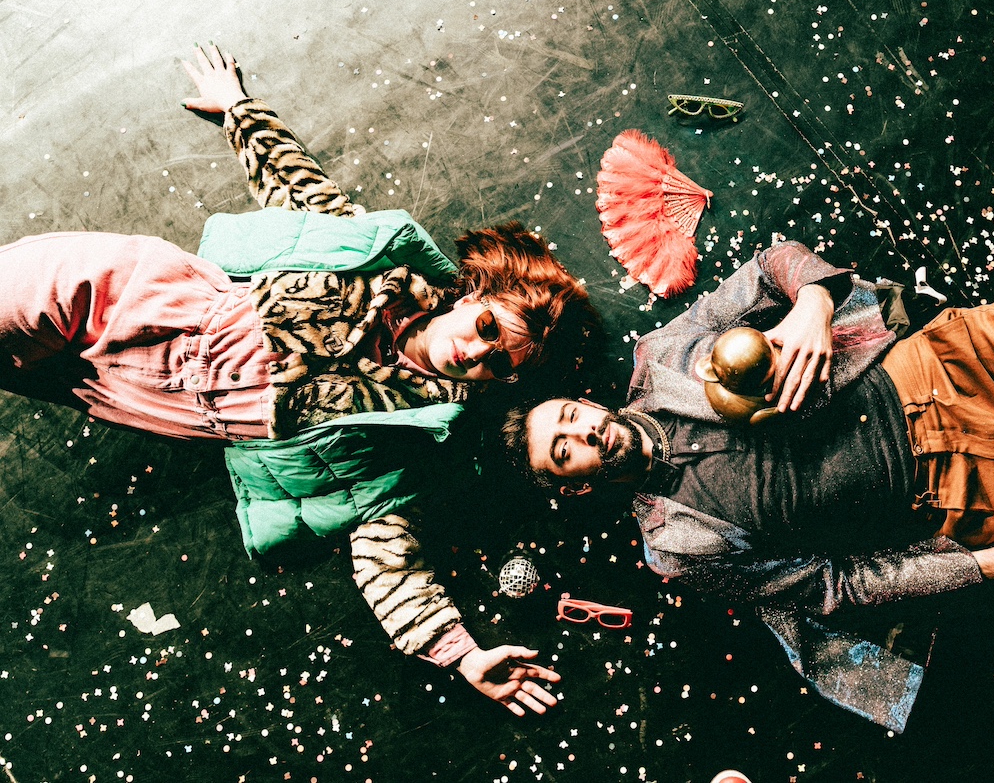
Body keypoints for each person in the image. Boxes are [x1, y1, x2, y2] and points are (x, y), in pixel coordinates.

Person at [0, 45, 588, 717]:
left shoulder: (415, 439)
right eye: (486, 328)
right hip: (144, 296)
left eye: (499, 364)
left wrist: (460, 652)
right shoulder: (376, 260)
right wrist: (238, 111)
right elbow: (299, 187)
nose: (476, 353)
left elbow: (387, 554)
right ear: (471, 295)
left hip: (142, 396)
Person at [502, 222, 994, 730]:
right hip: (984, 503)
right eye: (563, 452)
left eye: (569, 417)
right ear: (576, 485)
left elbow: (772, 265)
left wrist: (812, 305)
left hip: (962, 367)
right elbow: (837, 586)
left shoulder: (662, 356)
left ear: (585, 402)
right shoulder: (677, 546)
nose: (581, 433)